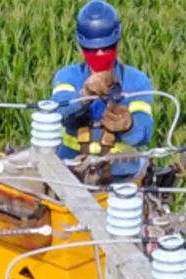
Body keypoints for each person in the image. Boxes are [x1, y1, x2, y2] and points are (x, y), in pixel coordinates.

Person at [50, 0, 154, 183]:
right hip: (71, 174)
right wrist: (84, 94)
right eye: (92, 50)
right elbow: (58, 109)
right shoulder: (68, 76)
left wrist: (129, 124)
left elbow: (145, 130)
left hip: (122, 177)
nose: (99, 55)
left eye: (107, 48)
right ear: (81, 47)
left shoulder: (137, 81)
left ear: (118, 42)